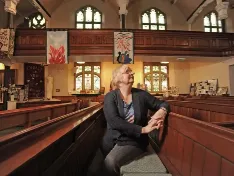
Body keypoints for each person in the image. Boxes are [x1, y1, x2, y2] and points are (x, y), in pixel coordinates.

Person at [100, 64, 170, 176]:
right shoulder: (110, 96)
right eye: (127, 71)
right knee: (103, 164)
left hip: (134, 141)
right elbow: (114, 121)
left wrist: (162, 111)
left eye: (131, 71)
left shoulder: (141, 95)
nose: (132, 73)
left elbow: (164, 103)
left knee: (110, 162)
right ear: (118, 78)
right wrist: (142, 129)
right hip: (113, 140)